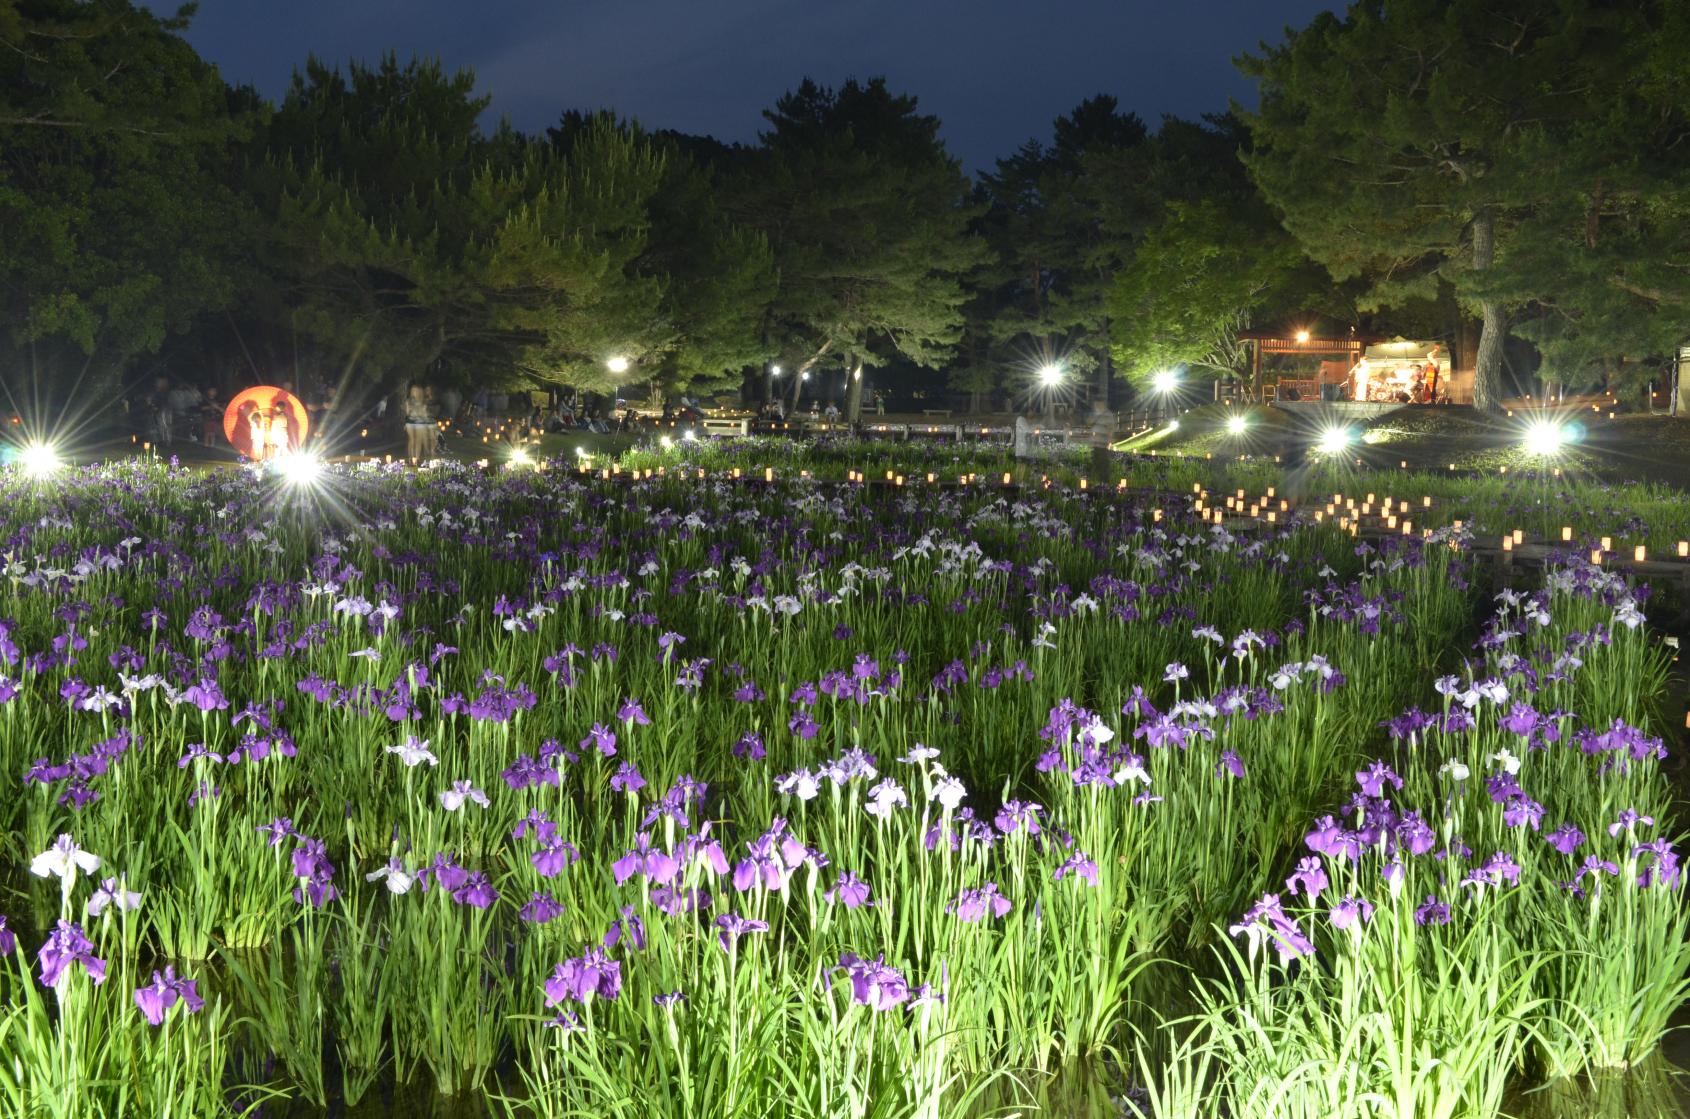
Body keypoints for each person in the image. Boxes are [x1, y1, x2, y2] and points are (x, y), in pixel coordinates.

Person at [404, 383, 434, 463]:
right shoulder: (409, 401)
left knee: (418, 440)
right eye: (414, 391)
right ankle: (411, 458)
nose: (415, 392)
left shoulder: (423, 400)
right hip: (411, 421)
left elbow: (424, 412)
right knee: (412, 440)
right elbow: (407, 413)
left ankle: (416, 459)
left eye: (417, 391)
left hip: (420, 422)